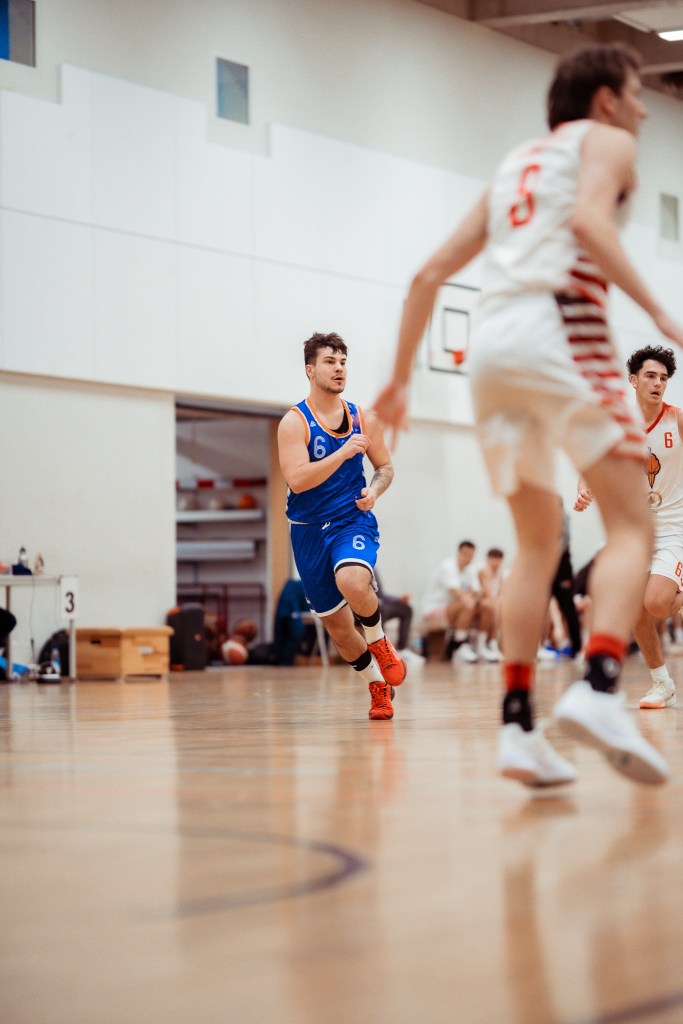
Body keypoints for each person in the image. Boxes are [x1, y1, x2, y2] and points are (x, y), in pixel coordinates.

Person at [373, 43, 683, 786]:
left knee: (536, 544)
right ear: (604, 100)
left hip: (490, 354)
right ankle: (600, 687)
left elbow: (427, 274)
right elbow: (589, 224)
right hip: (561, 331)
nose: (643, 109)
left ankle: (517, 727)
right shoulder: (607, 141)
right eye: (636, 93)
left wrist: (398, 381)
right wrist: (661, 315)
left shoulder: (514, 164)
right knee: (632, 527)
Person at [277, 331, 406, 720]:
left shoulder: (364, 418)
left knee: (352, 580)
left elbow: (385, 468)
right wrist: (345, 452)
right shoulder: (293, 422)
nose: (339, 369)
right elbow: (298, 479)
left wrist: (374, 490)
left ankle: (380, 641)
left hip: (351, 519)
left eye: (343, 362)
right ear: (310, 369)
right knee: (338, 628)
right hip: (307, 530)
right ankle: (376, 686)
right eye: (330, 362)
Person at [575, 344, 682, 710]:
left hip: (675, 526)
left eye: (663, 378)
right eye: (650, 376)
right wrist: (584, 487)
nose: (658, 383)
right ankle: (662, 683)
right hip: (636, 530)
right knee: (633, 607)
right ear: (633, 381)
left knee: (656, 603)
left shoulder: (677, 420)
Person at [422, 540, 481, 662]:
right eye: (465, 554)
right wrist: (469, 593)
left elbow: (478, 593)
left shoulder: (470, 570)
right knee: (468, 604)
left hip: (453, 609)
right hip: (433, 611)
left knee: (484, 606)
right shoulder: (447, 567)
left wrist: (468, 594)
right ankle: (458, 646)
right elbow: (459, 594)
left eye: (471, 555)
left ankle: (482, 646)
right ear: (458, 553)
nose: (468, 558)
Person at [374, 569, 417, 658]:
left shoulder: (372, 568)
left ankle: (402, 649)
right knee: (379, 610)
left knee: (406, 609)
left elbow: (381, 595)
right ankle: (381, 652)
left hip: (377, 606)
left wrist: (398, 599)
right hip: (356, 609)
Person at [476, 547, 505, 662]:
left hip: (491, 602)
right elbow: (488, 593)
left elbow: (502, 592)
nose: (496, 563)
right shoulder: (484, 570)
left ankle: (493, 643)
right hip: (478, 602)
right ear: (488, 559)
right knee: (493, 606)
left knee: (501, 607)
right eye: (494, 559)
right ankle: (482, 644)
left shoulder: (500, 573)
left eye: (499, 560)